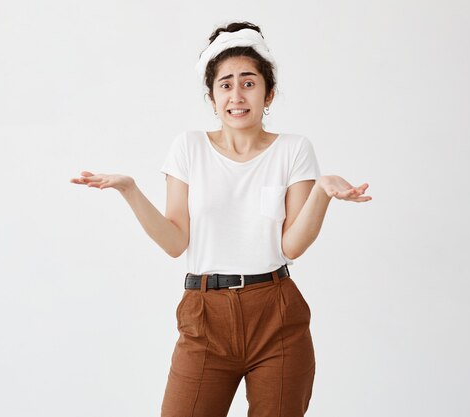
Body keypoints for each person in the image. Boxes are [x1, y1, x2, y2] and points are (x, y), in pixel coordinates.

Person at [71, 21, 371, 417]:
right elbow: (176, 242)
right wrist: (129, 189)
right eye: (225, 85)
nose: (237, 95)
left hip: (276, 313)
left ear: (269, 93)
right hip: (204, 314)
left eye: (248, 82)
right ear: (212, 98)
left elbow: (291, 245)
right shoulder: (188, 148)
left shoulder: (294, 151)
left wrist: (323, 192)